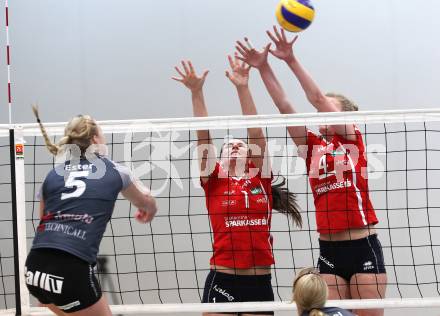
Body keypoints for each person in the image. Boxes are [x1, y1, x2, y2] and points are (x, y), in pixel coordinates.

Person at [235, 26, 386, 316]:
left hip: (362, 245)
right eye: (320, 114)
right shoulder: (311, 147)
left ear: (346, 116)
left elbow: (316, 98)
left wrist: (290, 59)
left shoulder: (352, 139)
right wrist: (264, 66)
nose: (320, 115)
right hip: (329, 250)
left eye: (329, 111)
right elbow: (285, 105)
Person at [172, 57, 302, 316]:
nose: (234, 145)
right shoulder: (214, 179)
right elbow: (203, 136)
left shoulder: (260, 177)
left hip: (258, 282)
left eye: (240, 145)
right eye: (228, 145)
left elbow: (256, 134)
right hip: (223, 279)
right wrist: (197, 92)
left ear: (250, 155)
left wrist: (243, 87)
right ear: (218, 159)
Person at [25, 107, 157, 316]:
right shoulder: (115, 171)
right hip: (70, 269)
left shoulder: (52, 175)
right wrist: (148, 210)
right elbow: (147, 203)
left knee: (56, 304)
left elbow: (44, 220)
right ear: (95, 140)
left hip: (35, 268)